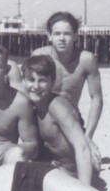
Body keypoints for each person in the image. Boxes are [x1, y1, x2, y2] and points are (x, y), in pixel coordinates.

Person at [21, 55, 100, 187]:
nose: (35, 86)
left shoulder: (56, 106)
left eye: (42, 81)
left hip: (75, 174)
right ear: (23, 81)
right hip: (54, 171)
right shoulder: (30, 107)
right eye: (30, 80)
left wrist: (85, 190)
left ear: (52, 82)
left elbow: (82, 146)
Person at [31, 11, 103, 142]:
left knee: (88, 161)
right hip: (41, 120)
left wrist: (88, 136)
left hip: (71, 119)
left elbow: (96, 98)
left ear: (75, 36)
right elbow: (26, 92)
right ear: (49, 36)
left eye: (67, 34)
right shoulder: (39, 56)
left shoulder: (86, 59)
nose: (62, 38)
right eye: (57, 34)